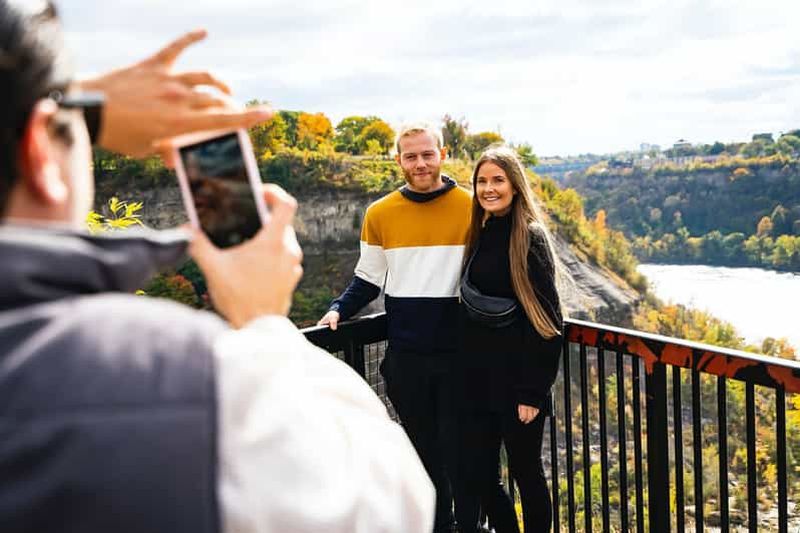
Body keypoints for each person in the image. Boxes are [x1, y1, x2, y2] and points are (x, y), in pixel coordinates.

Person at [0, 2, 434, 532]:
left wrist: (62, 106)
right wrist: (263, 320)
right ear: (40, 152)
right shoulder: (199, 384)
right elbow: (392, 507)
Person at [318, 123, 472, 532]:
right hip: (407, 360)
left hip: (461, 359)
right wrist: (338, 309)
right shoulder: (380, 213)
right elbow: (368, 278)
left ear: (443, 154)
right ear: (398, 160)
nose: (420, 163)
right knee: (423, 459)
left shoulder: (472, 207)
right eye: (411, 156)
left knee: (462, 457)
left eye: (427, 154)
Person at [453, 146, 563, 533]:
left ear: (515, 186)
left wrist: (532, 392)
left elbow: (548, 321)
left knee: (526, 474)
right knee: (482, 475)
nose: (489, 188)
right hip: (478, 383)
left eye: (498, 180)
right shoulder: (481, 233)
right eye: (481, 181)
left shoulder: (529, 237)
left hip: (518, 385)